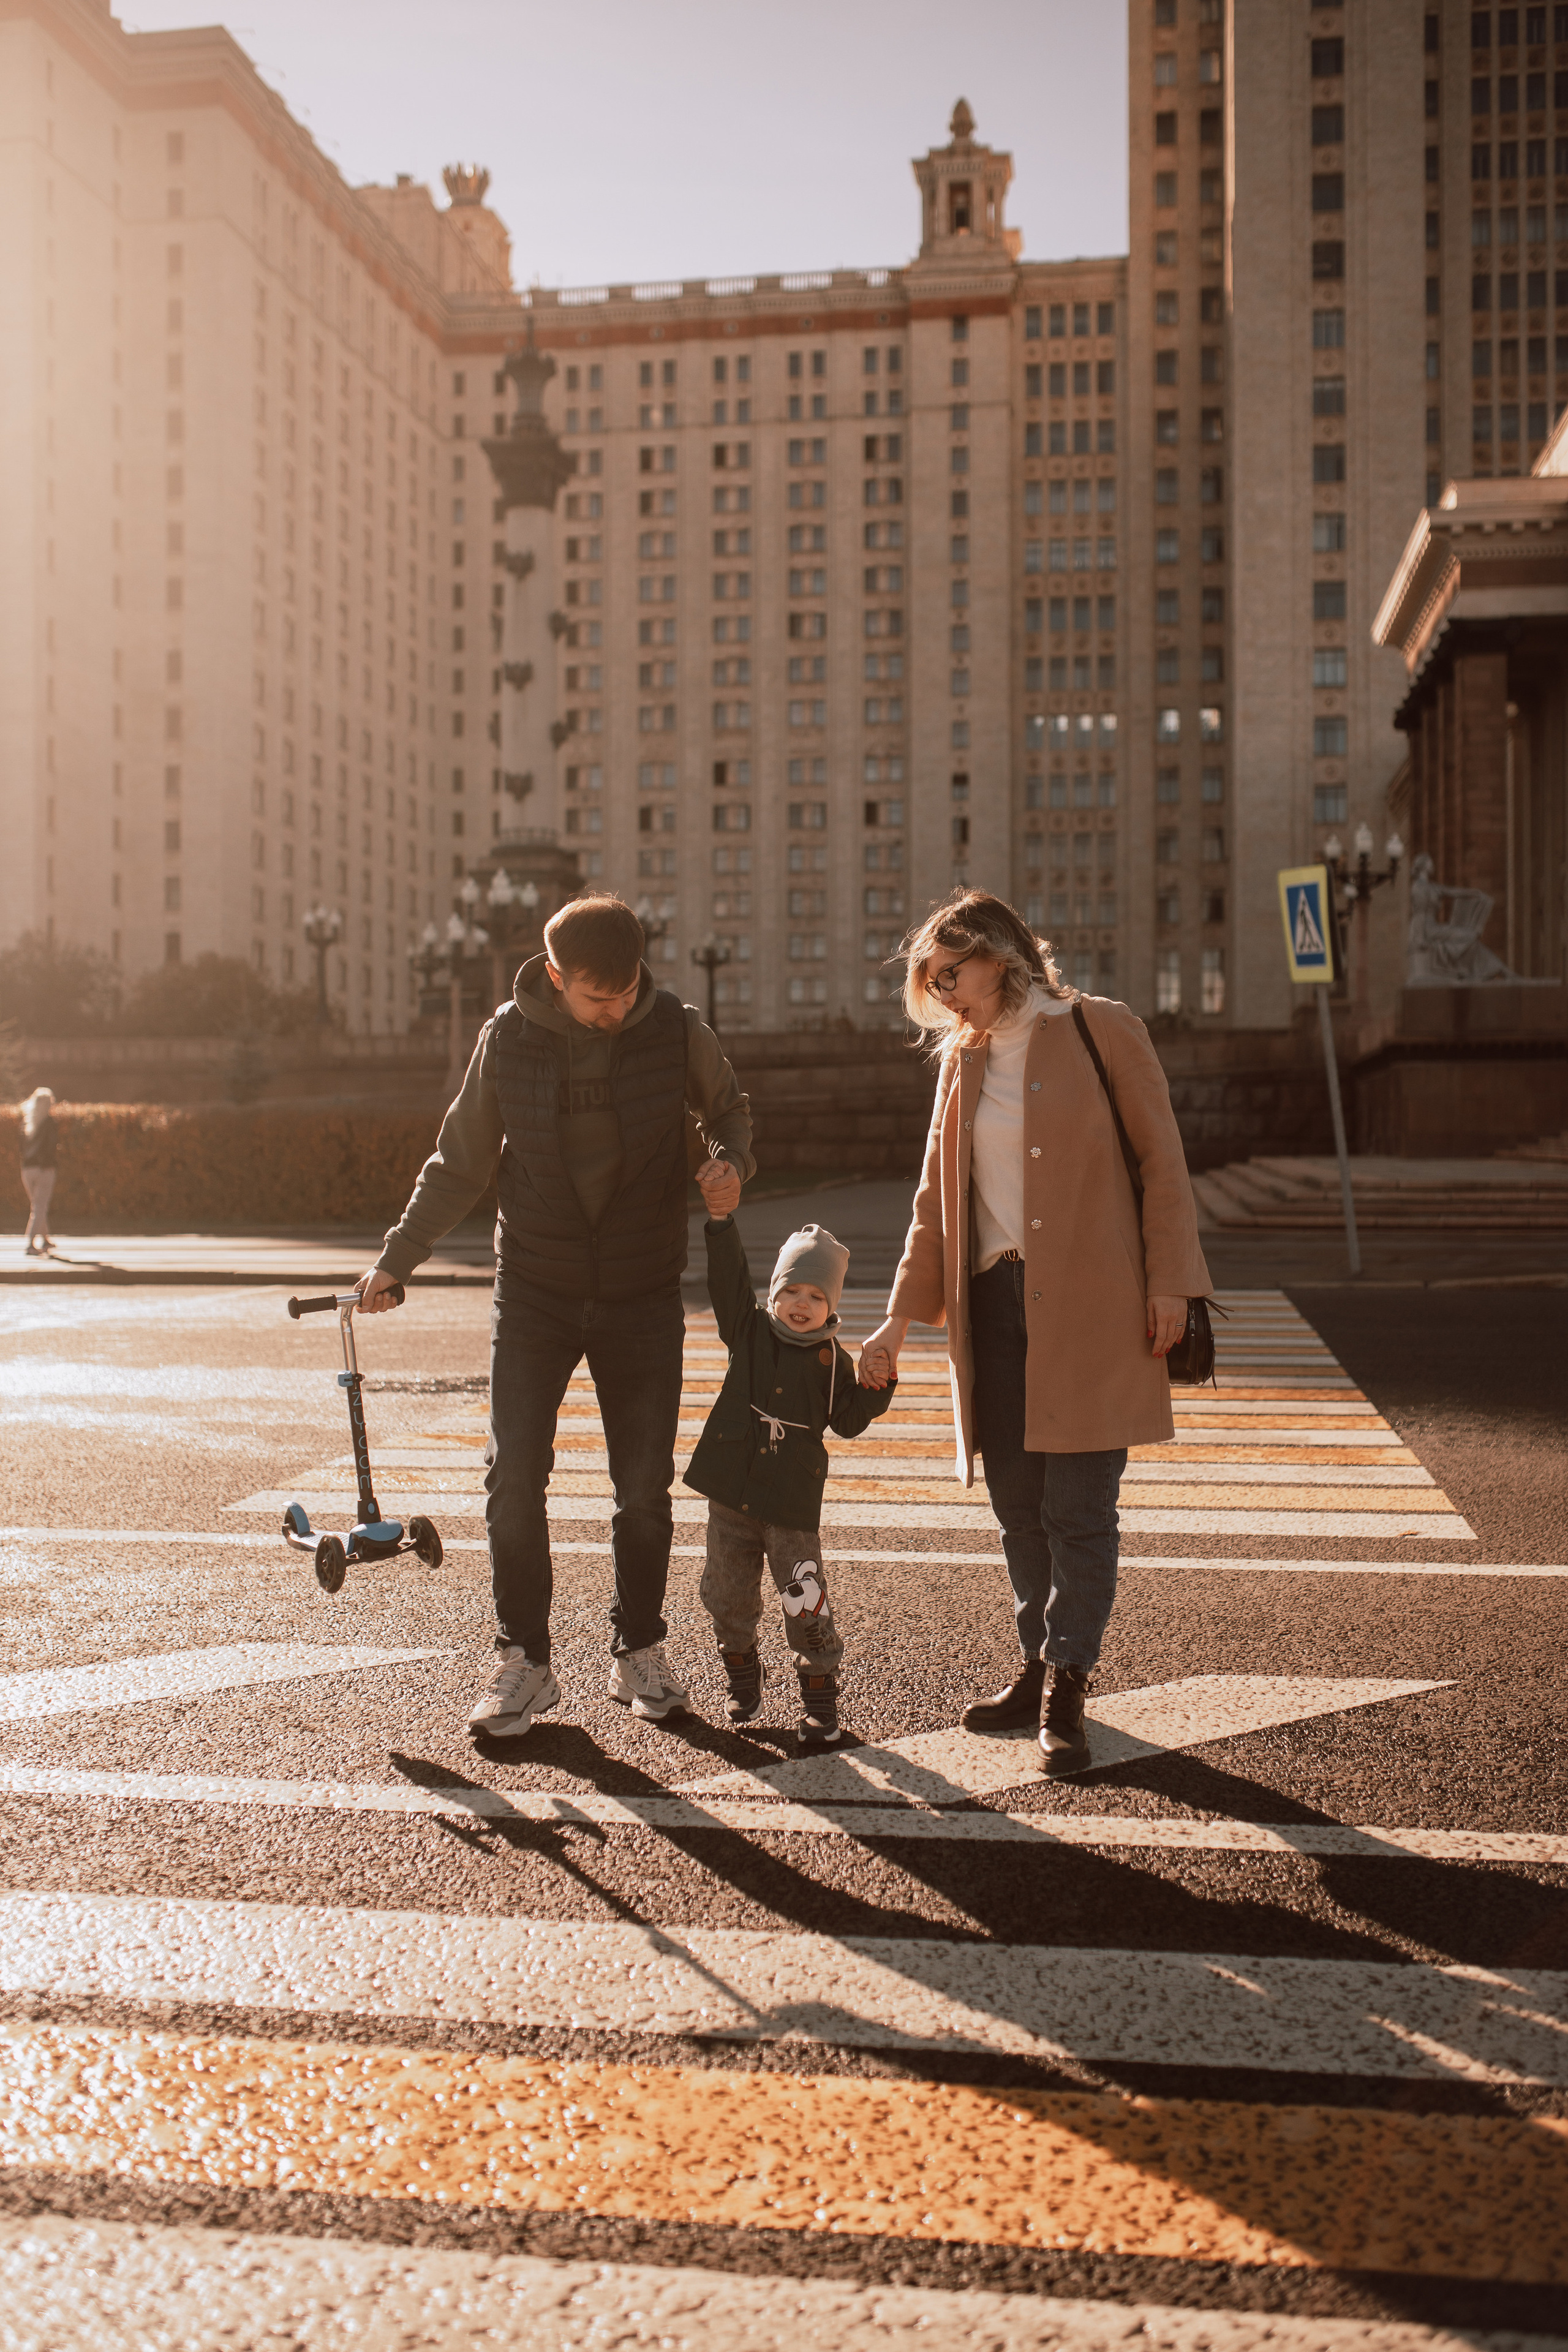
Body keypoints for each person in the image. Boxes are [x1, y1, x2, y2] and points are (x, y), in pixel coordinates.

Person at [358, 894, 753, 1738]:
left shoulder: (677, 1029)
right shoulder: (508, 1038)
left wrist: (727, 1164)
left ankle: (637, 1650)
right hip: (536, 1289)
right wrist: (398, 1258)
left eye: (624, 995)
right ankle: (523, 1663)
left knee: (642, 1491)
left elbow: (728, 1113)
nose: (613, 1013)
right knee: (512, 1482)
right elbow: (458, 1162)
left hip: (644, 1291)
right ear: (554, 976)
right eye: (594, 998)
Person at [858, 891, 1212, 1772]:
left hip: (1094, 1306)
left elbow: (1163, 1164)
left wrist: (1172, 1282)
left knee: (1078, 1510)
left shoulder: (1101, 1028)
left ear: (1002, 957)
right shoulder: (960, 1065)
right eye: (931, 984)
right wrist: (897, 1321)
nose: (944, 996)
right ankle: (1034, 1660)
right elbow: (936, 1205)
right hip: (994, 1310)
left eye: (952, 975)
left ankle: (1068, 1681)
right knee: (1018, 1508)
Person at [684, 1217, 897, 1746]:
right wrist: (721, 1225)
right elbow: (727, 1280)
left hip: (791, 1508)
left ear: (833, 1306)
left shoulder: (834, 1364)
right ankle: (742, 1672)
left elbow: (848, 1420)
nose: (802, 1304)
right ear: (773, 1294)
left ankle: (821, 1700)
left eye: (817, 1296)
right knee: (727, 1595)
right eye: (791, 1291)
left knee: (806, 1602)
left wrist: (878, 1384)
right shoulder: (749, 1330)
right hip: (731, 1494)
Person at [20, 1088, 58, 1257]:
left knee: (37, 1206)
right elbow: (51, 1147)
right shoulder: (50, 1123)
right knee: (40, 1207)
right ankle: (30, 1243)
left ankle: (45, 1239)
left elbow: (22, 1149)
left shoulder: (27, 1123)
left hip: (27, 1170)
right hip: (44, 1169)